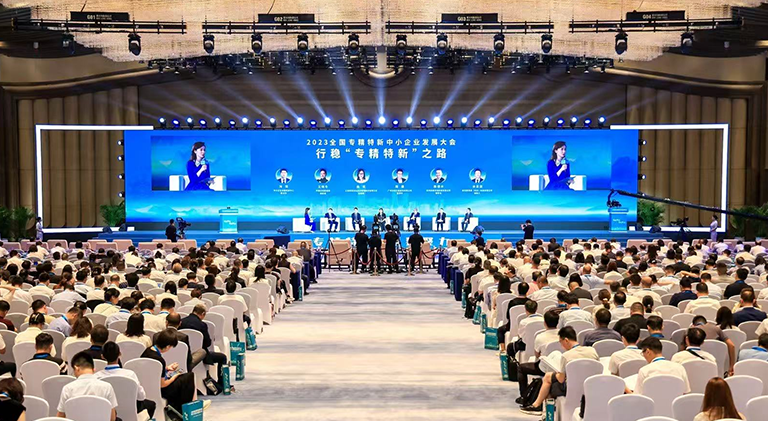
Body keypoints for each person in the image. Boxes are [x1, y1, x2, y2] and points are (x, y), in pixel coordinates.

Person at [520, 326, 599, 415]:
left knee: (549, 381)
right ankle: (539, 407)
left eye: (561, 342)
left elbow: (561, 379)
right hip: (591, 386)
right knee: (550, 378)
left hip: (570, 388)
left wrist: (557, 373)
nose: (561, 346)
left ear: (566, 340)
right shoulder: (592, 350)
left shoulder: (567, 355)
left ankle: (541, 409)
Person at [141, 329, 208, 413]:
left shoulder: (147, 351)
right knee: (189, 377)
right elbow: (163, 385)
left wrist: (167, 368)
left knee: (185, 378)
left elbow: (151, 369)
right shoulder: (160, 360)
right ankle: (187, 407)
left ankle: (190, 405)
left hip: (147, 385)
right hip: (160, 389)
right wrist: (175, 376)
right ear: (168, 346)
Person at [95, 341, 157, 419]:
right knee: (151, 405)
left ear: (102, 356)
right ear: (119, 354)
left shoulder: (97, 377)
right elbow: (141, 396)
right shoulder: (130, 374)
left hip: (108, 414)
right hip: (131, 413)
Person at [57, 352, 119, 421]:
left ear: (76, 368)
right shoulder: (107, 387)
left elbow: (60, 418)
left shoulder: (68, 389)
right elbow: (112, 418)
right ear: (93, 369)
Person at [180, 305, 228, 386]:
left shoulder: (181, 322)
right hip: (201, 356)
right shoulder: (202, 325)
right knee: (222, 357)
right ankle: (222, 383)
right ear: (203, 313)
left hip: (183, 355)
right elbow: (207, 343)